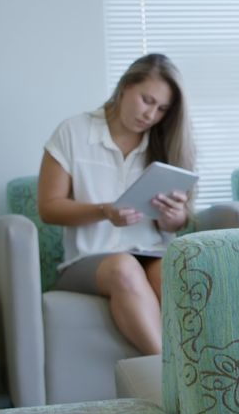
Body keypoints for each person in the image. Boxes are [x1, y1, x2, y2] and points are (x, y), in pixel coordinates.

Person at [38, 53, 195, 356]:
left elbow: (175, 226)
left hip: (150, 251)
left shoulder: (164, 142)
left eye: (162, 109)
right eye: (147, 100)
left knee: (175, 271)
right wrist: (104, 211)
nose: (151, 115)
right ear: (125, 87)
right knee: (123, 268)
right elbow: (49, 207)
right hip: (88, 258)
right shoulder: (73, 132)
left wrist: (172, 217)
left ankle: (195, 366)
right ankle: (165, 372)